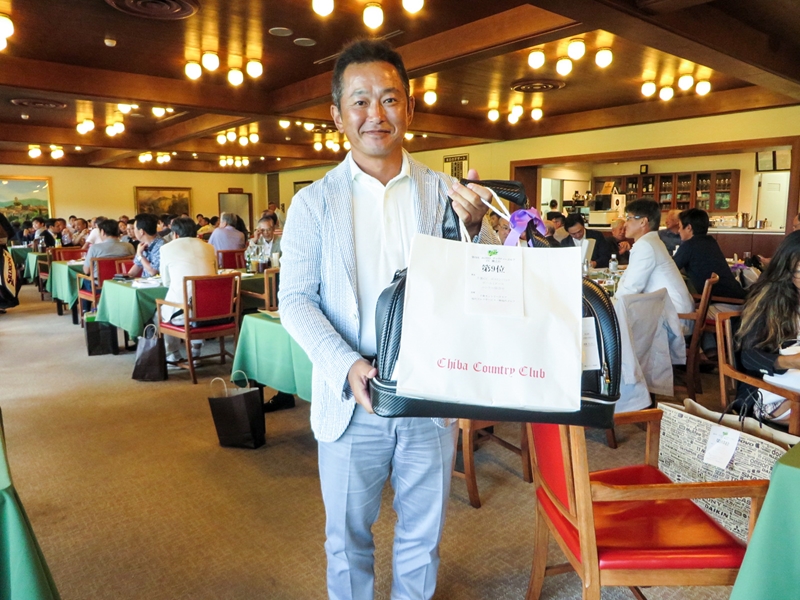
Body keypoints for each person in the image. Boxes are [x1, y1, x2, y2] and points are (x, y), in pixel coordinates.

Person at [278, 39, 497, 600]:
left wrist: (478, 229)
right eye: (359, 101)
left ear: (410, 108)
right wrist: (344, 363)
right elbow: (295, 300)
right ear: (337, 115)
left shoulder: (447, 193)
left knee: (423, 535)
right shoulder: (312, 203)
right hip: (352, 396)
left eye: (389, 99)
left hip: (429, 392)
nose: (375, 114)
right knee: (347, 539)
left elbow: (484, 285)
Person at [736, 231, 800, 425]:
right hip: (769, 393)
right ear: (786, 269)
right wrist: (791, 362)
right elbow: (748, 357)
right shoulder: (768, 301)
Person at [615, 199, 694, 314]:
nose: (625, 224)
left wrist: (615, 296)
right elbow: (628, 279)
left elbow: (629, 290)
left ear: (643, 222)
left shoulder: (645, 245)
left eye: (629, 218)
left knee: (611, 315)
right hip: (671, 310)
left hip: (675, 317)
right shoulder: (651, 241)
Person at [158, 217, 217, 364]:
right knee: (197, 300)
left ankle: (173, 354)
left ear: (175, 234)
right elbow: (214, 276)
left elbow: (166, 282)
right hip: (213, 311)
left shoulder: (166, 249)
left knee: (160, 312)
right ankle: (196, 350)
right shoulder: (209, 247)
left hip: (185, 313)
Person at [673, 208, 745, 299]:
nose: (678, 231)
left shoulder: (689, 245)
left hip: (725, 301)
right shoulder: (710, 241)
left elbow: (669, 268)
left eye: (679, 226)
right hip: (736, 295)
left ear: (689, 228)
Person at [127, 213, 164, 278]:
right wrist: (123, 278)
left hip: (157, 283)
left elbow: (153, 271)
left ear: (141, 231)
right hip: (144, 282)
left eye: (134, 228)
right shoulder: (143, 244)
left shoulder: (161, 246)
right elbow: (137, 266)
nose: (134, 231)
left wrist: (140, 255)